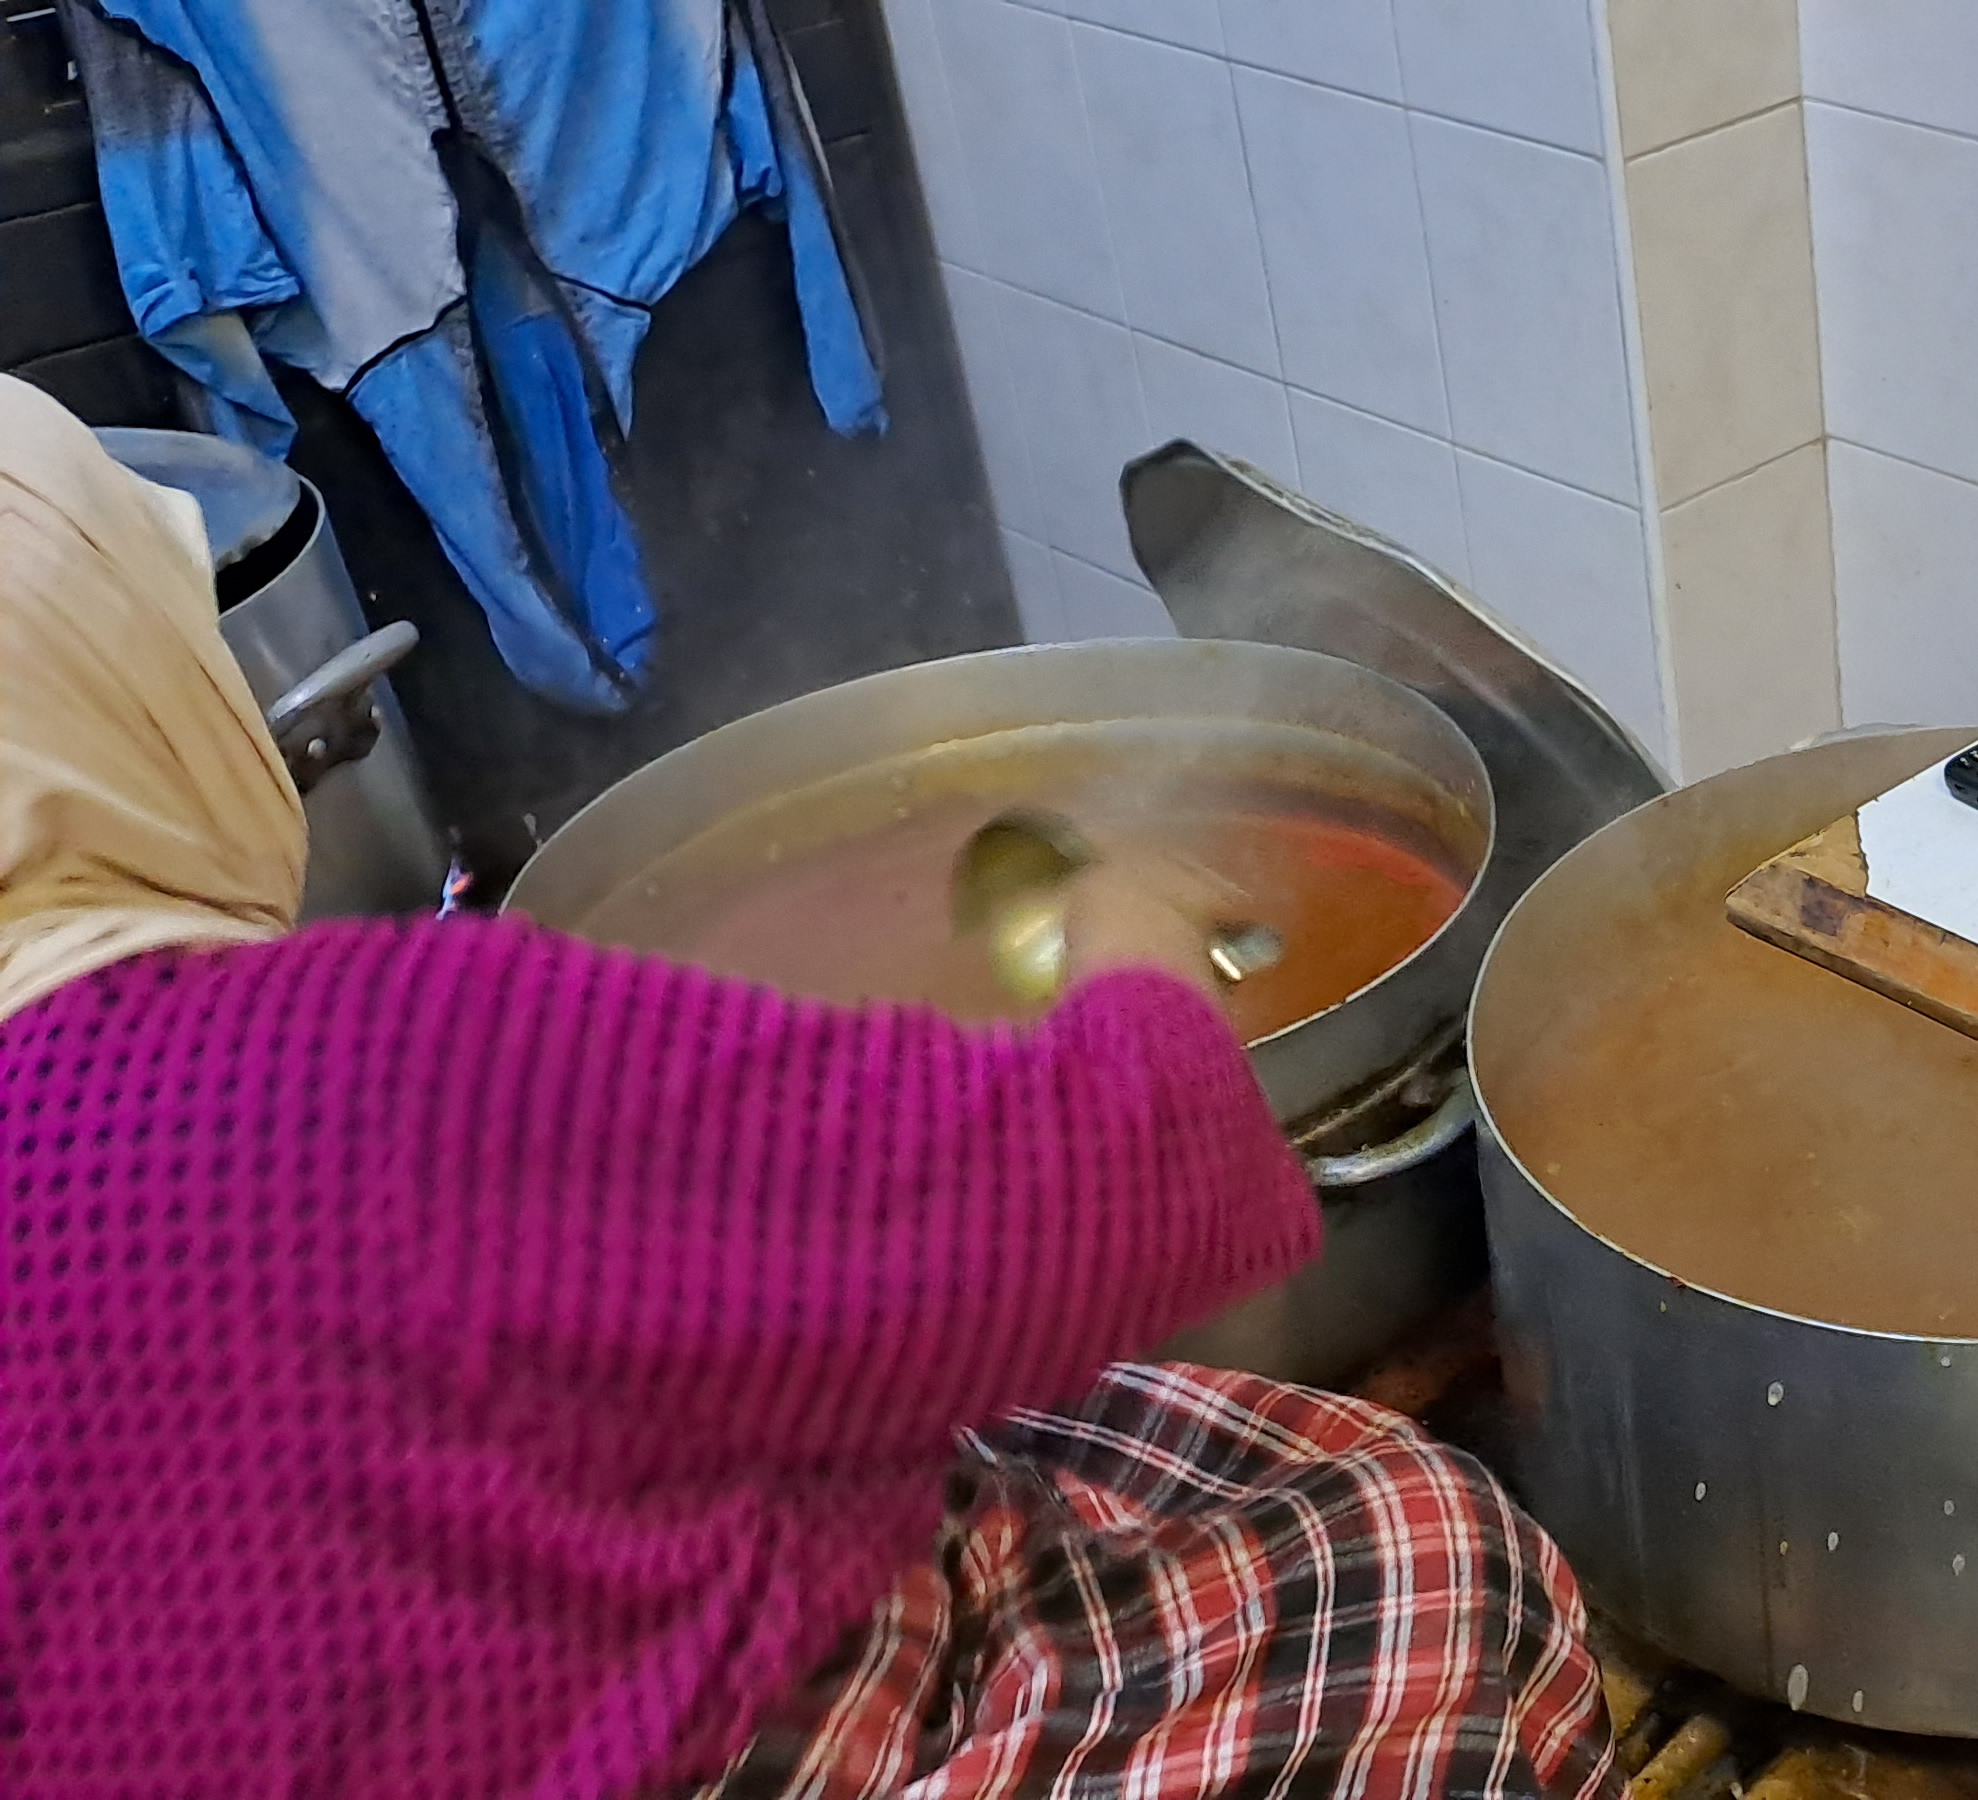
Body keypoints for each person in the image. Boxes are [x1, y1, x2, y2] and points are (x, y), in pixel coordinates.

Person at [0, 372, 1614, 1799]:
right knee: (1417, 1544)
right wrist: (1132, 932)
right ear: (141, 696)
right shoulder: (372, 1060)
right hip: (711, 1735)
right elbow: (1129, 1164)